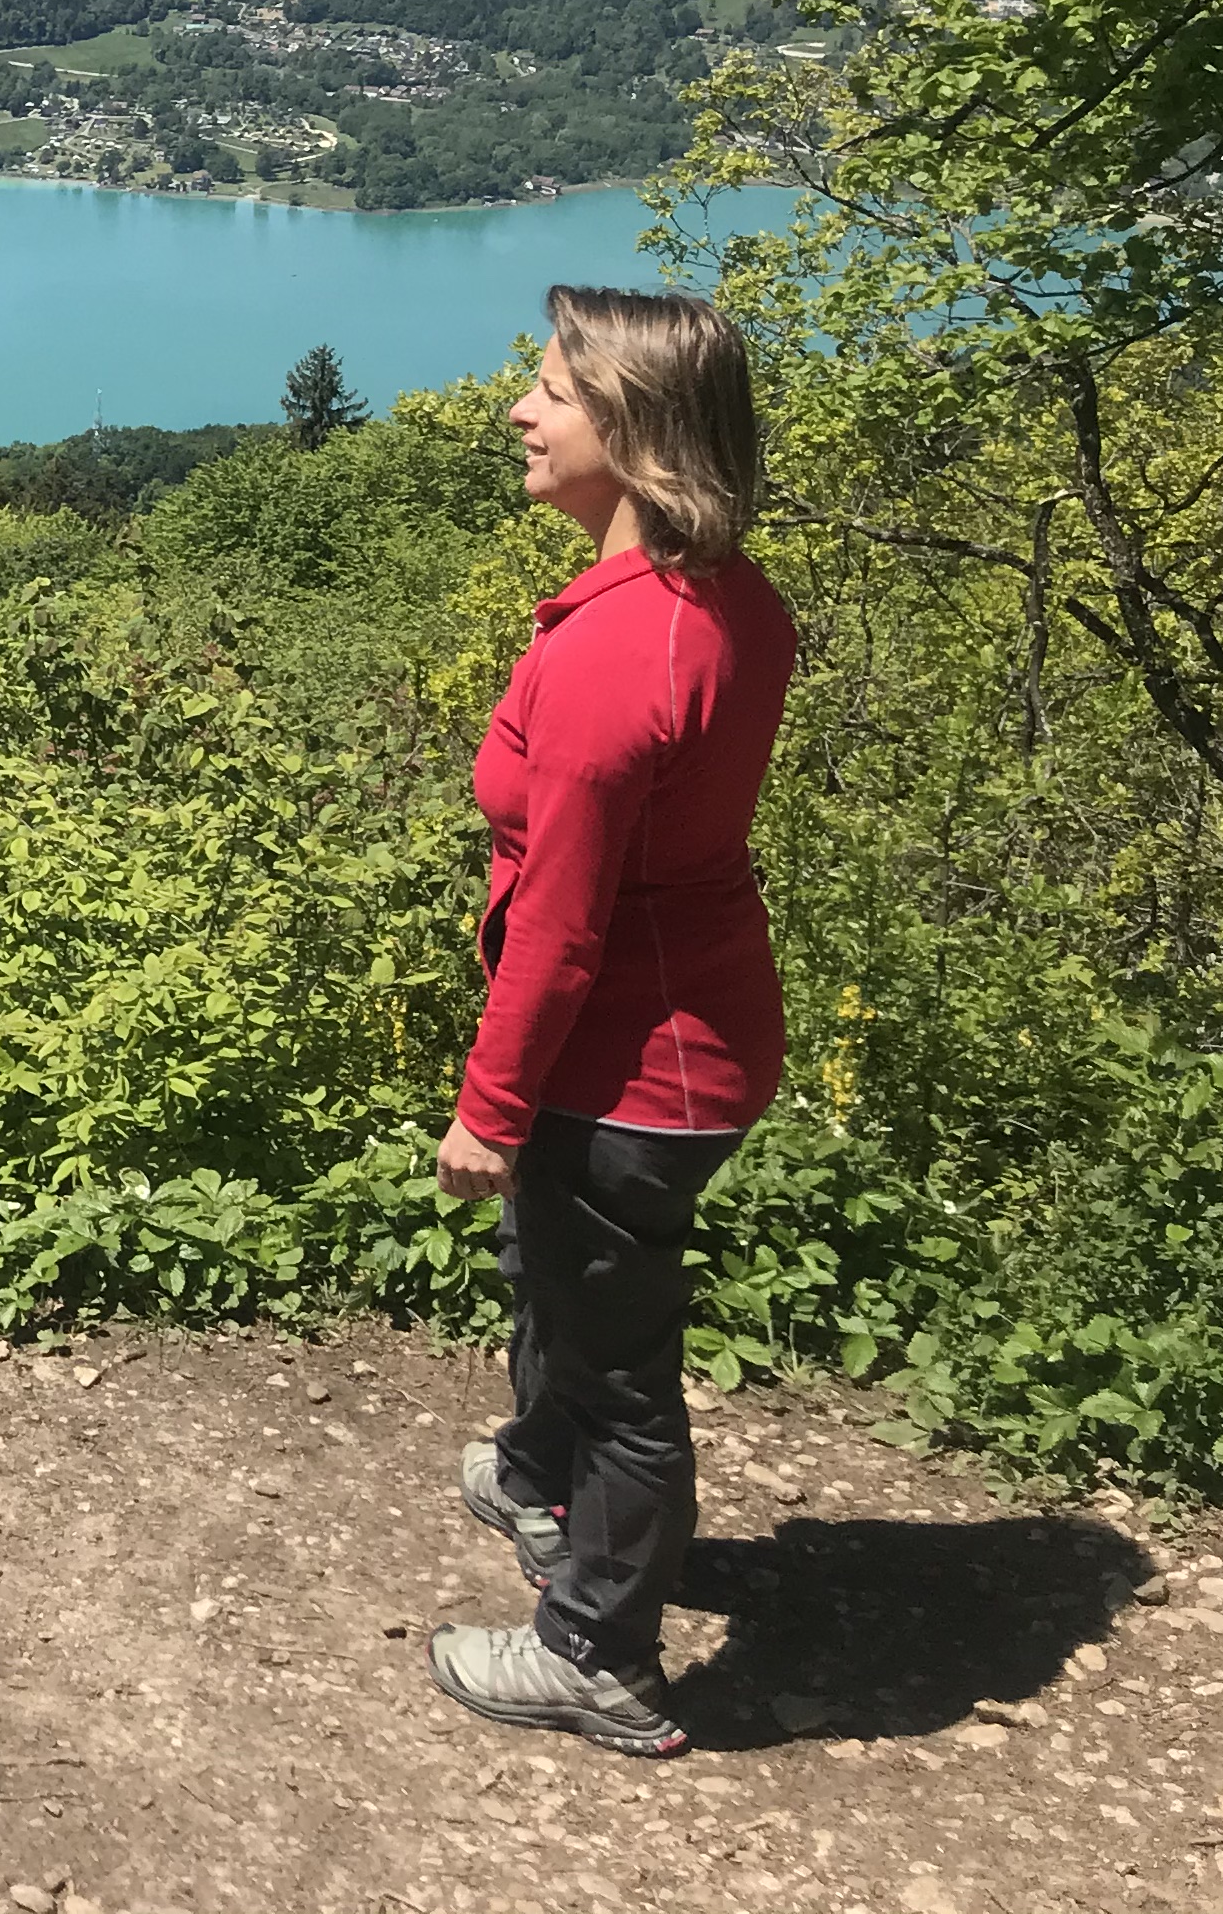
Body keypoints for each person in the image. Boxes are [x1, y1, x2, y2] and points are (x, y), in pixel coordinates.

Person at [426, 285, 793, 1757]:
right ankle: (535, 1471)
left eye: (551, 392)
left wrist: (488, 1111)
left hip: (632, 1058)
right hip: (687, 1031)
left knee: (619, 1362)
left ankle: (598, 1652)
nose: (519, 410)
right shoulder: (728, 602)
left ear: (632, 433)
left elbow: (567, 926)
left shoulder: (609, 659)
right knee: (558, 1277)